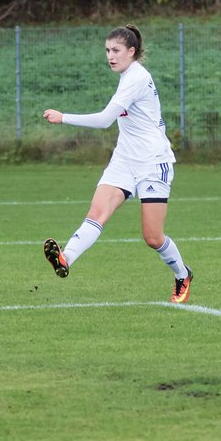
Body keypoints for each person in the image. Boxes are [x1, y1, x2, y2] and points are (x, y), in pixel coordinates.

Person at [41, 25, 193, 302]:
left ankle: (183, 275)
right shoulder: (126, 76)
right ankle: (65, 259)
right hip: (124, 160)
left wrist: (64, 117)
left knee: (153, 238)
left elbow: (104, 120)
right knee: (96, 213)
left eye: (116, 51)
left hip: (152, 161)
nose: (110, 56)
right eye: (107, 51)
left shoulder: (136, 77)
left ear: (131, 52)